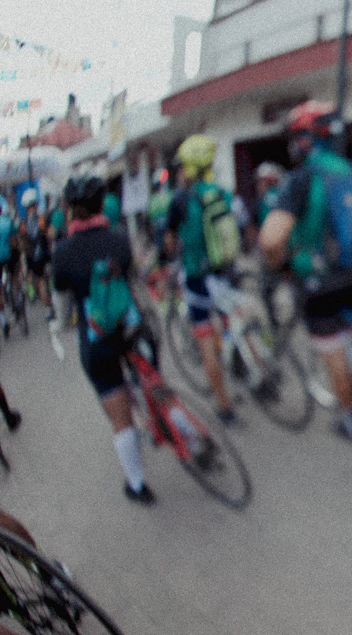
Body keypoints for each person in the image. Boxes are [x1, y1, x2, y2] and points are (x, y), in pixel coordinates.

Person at [260, 100, 352, 442]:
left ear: (306, 138)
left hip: (317, 280)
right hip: (351, 271)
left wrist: (279, 264)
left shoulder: (301, 178)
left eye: (295, 136)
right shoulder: (344, 170)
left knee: (330, 347)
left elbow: (270, 238)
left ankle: (349, 417)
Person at [50, 177, 156, 505]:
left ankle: (138, 485)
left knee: (120, 418)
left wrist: (61, 325)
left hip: (98, 344)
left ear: (70, 211)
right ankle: (180, 431)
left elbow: (64, 309)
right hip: (134, 331)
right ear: (101, 205)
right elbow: (137, 282)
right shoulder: (121, 238)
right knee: (154, 385)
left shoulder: (62, 254)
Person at [164, 134, 238, 425]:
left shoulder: (180, 200)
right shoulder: (221, 192)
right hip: (225, 272)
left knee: (206, 342)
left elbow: (169, 242)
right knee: (232, 322)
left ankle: (225, 408)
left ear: (189, 168)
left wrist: (176, 249)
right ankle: (252, 366)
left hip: (197, 279)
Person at [0, 203, 15, 338]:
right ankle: (16, 289)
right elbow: (14, 238)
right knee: (15, 273)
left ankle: (3, 319)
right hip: (9, 257)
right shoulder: (6, 221)